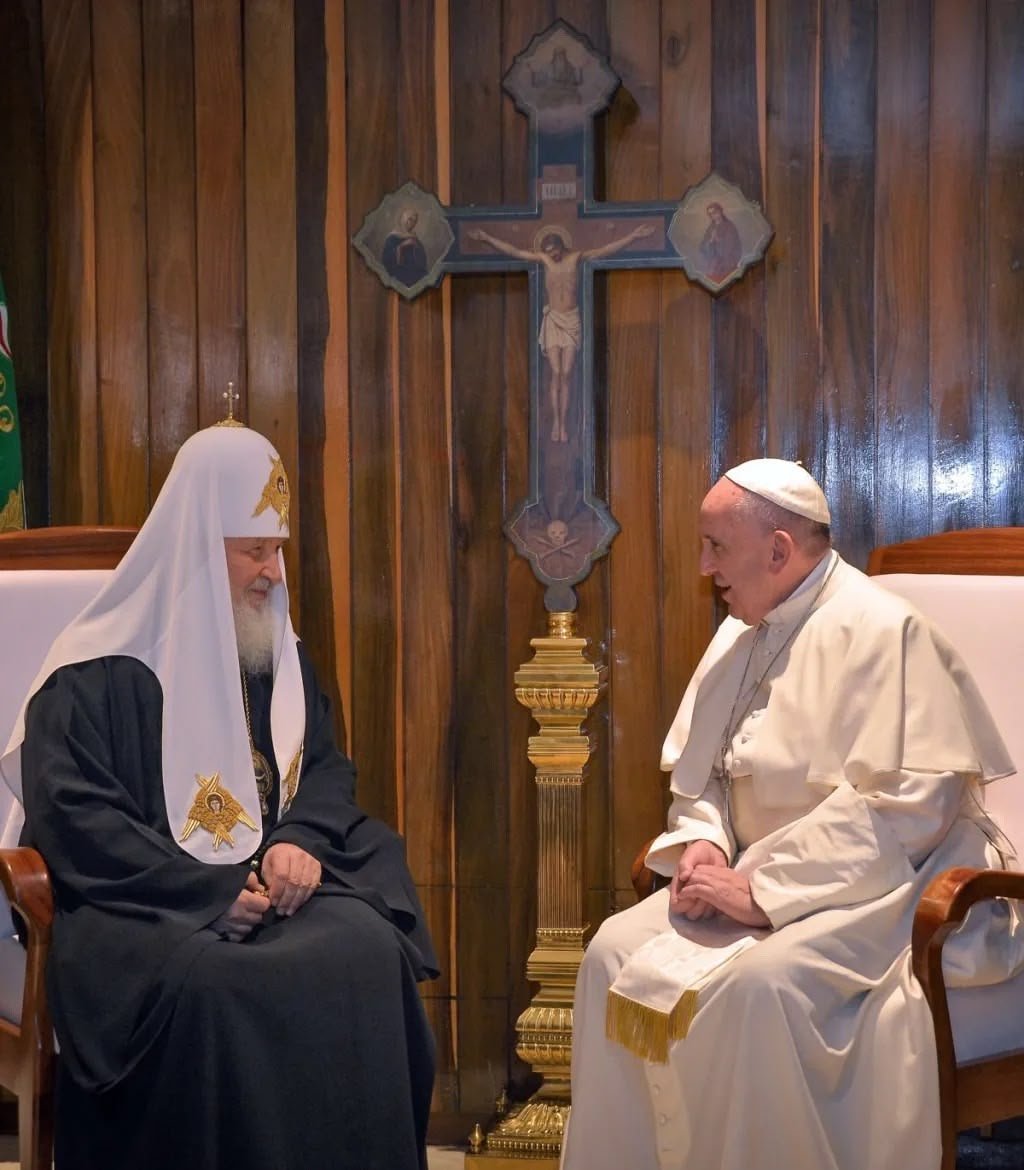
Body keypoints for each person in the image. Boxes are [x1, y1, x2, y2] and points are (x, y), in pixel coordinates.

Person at [560, 457, 1024, 1170]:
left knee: (759, 985)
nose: (704, 565)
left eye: (717, 547)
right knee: (610, 955)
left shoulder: (887, 632)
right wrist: (704, 846)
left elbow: (910, 811)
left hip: (890, 888)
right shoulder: (742, 630)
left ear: (778, 550)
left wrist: (761, 893)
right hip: (749, 879)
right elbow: (704, 780)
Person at [0, 421, 439, 1170]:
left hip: (274, 887)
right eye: (254, 551)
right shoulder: (93, 674)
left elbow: (326, 768)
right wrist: (202, 890)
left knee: (368, 949)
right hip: (146, 905)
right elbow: (76, 821)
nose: (273, 572)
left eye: (277, 550)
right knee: (220, 989)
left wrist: (298, 841)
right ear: (203, 550)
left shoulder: (274, 652)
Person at [469, 222, 653, 442]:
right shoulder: (545, 260)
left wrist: (633, 235)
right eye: (547, 253)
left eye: (554, 251)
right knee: (555, 372)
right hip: (553, 320)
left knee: (566, 373)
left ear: (561, 246)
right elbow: (515, 252)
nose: (552, 256)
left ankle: (564, 422)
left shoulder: (576, 258)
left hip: (571, 320)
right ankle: (556, 423)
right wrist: (487, 237)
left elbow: (605, 249)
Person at [382, 207, 430, 287]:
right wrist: (401, 246)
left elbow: (422, 260)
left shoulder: (414, 237)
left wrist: (417, 248)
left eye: (415, 221)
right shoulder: (392, 237)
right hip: (399, 274)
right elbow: (386, 260)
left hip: (415, 273)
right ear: (403, 219)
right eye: (410, 219)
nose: (412, 223)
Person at [698, 200, 742, 284]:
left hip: (728, 262)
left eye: (714, 212)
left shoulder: (729, 226)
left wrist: (718, 240)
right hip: (715, 263)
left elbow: (730, 246)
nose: (713, 216)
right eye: (710, 214)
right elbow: (702, 247)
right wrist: (710, 241)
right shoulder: (711, 228)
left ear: (720, 211)